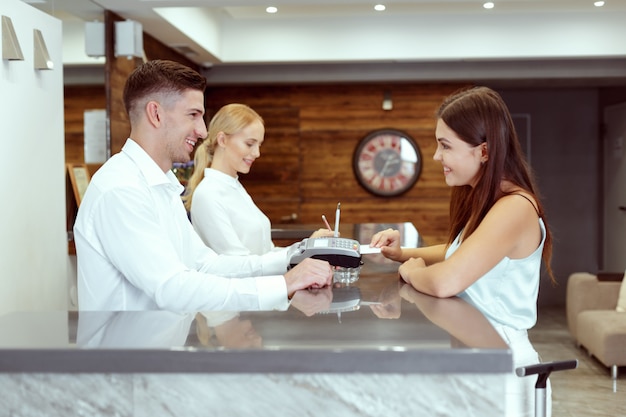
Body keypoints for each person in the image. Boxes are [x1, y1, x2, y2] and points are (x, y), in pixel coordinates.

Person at [73, 60, 332, 312]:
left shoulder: (162, 186)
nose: (203, 131)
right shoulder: (121, 189)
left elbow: (206, 265)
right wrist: (284, 284)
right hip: (128, 355)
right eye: (193, 115)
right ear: (156, 114)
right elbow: (171, 288)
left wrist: (293, 257)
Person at [370, 86, 555, 417]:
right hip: (477, 362)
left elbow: (446, 282)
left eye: (445, 146)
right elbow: (463, 252)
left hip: (504, 369)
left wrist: (411, 271)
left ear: (483, 151)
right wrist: (403, 254)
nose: (437, 156)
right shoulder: (487, 200)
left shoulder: (515, 207)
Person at [182, 103, 333, 256]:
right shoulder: (208, 194)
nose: (257, 153)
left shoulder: (235, 187)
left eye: (259, 145)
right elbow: (239, 264)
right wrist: (304, 249)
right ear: (222, 140)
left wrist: (309, 248)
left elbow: (266, 254)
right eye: (250, 144)